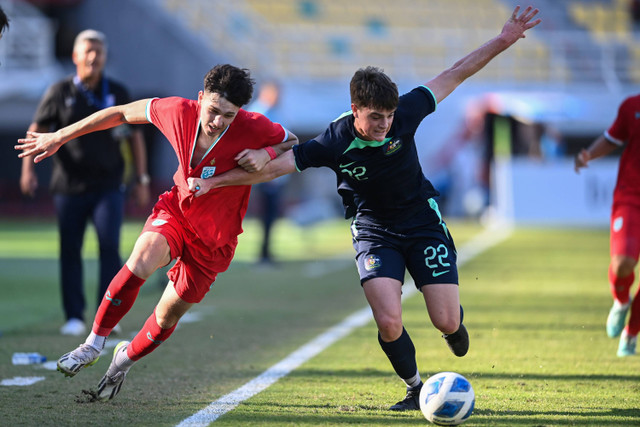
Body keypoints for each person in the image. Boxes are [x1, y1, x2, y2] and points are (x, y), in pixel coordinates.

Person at [189, 6, 541, 410]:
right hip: (374, 230)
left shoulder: (406, 110)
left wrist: (504, 39)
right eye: (376, 117)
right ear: (355, 109)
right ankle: (413, 388)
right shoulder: (332, 141)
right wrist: (212, 183)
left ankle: (453, 324)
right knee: (389, 320)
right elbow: (272, 170)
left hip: (422, 221)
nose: (385, 125)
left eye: (389, 117)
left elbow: (456, 73)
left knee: (445, 321)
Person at [16, 64, 298, 401]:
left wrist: (264, 152)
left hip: (216, 239)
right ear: (199, 99)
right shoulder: (177, 111)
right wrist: (59, 135)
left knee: (166, 316)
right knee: (143, 255)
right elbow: (120, 113)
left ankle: (122, 361)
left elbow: (291, 143)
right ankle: (92, 344)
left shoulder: (254, 126)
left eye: (229, 114)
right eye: (213, 110)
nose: (219, 120)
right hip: (177, 211)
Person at [19, 29, 151, 337]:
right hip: (69, 186)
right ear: (76, 56)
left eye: (99, 51)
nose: (93, 56)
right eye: (87, 50)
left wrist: (142, 178)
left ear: (105, 57)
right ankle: (74, 316)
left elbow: (136, 137)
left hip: (108, 185)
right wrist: (27, 170)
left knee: (109, 248)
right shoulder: (59, 91)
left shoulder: (117, 91)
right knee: (71, 249)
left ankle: (107, 316)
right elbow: (36, 128)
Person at [575, 95, 640, 357]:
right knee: (623, 262)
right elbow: (613, 138)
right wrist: (589, 154)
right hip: (631, 195)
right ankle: (622, 299)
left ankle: (631, 334)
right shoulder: (632, 106)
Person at [247, 81, 287, 265]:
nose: (279, 97)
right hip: (266, 176)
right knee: (266, 216)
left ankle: (266, 253)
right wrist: (267, 172)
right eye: (276, 93)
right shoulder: (259, 113)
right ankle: (263, 255)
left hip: (275, 176)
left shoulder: (273, 112)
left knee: (271, 217)